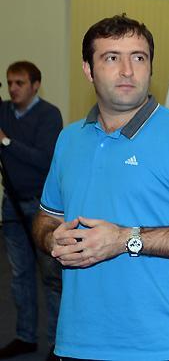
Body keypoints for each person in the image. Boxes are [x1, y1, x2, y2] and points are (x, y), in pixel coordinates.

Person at [32, 14, 169, 360]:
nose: (127, 71)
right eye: (112, 58)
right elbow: (45, 219)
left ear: (150, 66)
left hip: (156, 347)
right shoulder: (69, 139)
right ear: (88, 70)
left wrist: (125, 239)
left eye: (138, 58)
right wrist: (53, 239)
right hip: (75, 341)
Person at [0, 61, 62, 360]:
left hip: (42, 207)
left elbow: (45, 160)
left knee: (50, 276)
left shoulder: (49, 115)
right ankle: (25, 336)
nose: (13, 89)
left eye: (20, 83)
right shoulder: (3, 111)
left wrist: (6, 141)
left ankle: (57, 343)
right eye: (10, 83)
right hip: (11, 202)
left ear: (35, 85)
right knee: (19, 274)